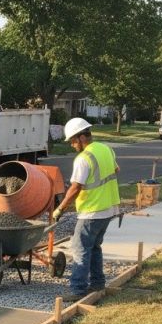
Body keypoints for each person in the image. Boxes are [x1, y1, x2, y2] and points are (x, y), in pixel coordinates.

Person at [51, 117, 120, 302]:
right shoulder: (106, 149)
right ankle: (97, 283)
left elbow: (75, 188)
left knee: (80, 248)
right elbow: (116, 170)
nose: (72, 145)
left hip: (92, 210)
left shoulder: (84, 158)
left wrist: (60, 208)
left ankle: (77, 290)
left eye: (73, 141)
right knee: (94, 247)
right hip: (108, 208)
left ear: (82, 137)